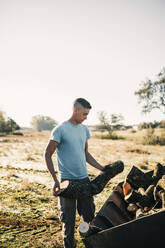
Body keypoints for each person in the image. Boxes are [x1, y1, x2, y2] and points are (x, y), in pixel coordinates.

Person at [44, 98, 104, 248]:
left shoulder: (84, 130)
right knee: (68, 222)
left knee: (89, 216)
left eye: (88, 114)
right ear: (75, 110)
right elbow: (47, 153)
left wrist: (101, 168)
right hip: (66, 183)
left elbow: (85, 154)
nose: (86, 117)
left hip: (84, 180)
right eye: (84, 114)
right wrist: (55, 180)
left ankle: (87, 240)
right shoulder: (60, 129)